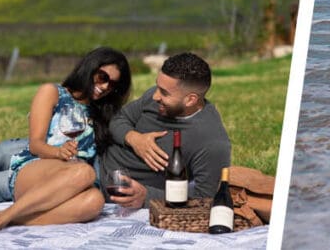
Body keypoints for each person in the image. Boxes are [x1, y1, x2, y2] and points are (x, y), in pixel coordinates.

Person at [0, 47, 132, 238]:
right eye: (102, 77)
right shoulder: (53, 93)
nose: (105, 87)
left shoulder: (103, 114)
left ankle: (1, 219)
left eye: (113, 85)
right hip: (36, 170)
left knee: (95, 202)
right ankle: (0, 219)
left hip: (69, 183)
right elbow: (35, 145)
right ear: (90, 68)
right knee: (84, 172)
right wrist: (58, 153)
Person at [98, 52, 232, 209]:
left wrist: (146, 196)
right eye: (157, 86)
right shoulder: (156, 99)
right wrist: (134, 139)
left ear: (190, 100)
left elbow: (205, 200)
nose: (155, 96)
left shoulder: (212, 142)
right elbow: (118, 119)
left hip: (112, 192)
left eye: (164, 93)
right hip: (95, 159)